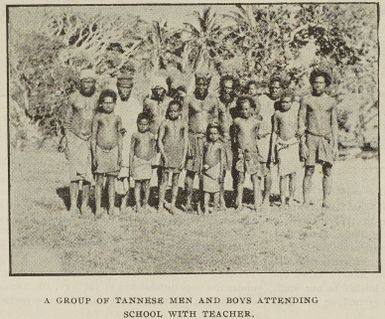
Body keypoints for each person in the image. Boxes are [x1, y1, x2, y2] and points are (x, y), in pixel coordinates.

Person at [299, 70, 338, 208]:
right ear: (312, 83)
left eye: (321, 83)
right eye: (316, 82)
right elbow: (301, 122)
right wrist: (302, 144)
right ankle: (306, 200)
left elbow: (334, 124)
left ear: (326, 84)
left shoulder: (331, 101)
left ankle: (326, 200)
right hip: (310, 137)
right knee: (309, 169)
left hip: (325, 138)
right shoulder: (306, 100)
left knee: (327, 170)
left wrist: (335, 145)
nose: (318, 85)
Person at [61, 69, 98, 216]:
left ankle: (84, 205)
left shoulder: (98, 98)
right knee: (75, 175)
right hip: (75, 139)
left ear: (94, 83)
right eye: (85, 81)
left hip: (91, 140)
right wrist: (68, 140)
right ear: (80, 83)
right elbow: (67, 121)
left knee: (88, 175)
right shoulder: (73, 98)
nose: (87, 85)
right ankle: (73, 206)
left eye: (90, 81)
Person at [184, 72, 220, 213]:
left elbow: (215, 120)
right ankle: (187, 202)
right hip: (192, 138)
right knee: (190, 171)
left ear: (208, 85)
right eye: (199, 83)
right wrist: (187, 142)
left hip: (207, 140)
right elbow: (184, 121)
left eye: (204, 84)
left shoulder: (213, 99)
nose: (201, 87)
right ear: (196, 83)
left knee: (205, 172)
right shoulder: (188, 99)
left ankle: (201, 202)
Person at [114, 72, 142, 212]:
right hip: (116, 142)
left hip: (131, 142)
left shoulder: (136, 104)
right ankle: (113, 200)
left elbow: (140, 124)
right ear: (118, 87)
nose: (124, 90)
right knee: (115, 172)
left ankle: (125, 201)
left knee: (128, 173)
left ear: (131, 88)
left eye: (127, 88)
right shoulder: (113, 103)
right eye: (122, 87)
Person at [91, 89, 122, 217]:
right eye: (105, 102)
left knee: (111, 181)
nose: (108, 105)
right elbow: (93, 137)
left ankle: (111, 207)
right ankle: (98, 208)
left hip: (113, 151)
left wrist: (120, 154)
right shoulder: (98, 117)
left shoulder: (117, 118)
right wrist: (94, 155)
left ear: (115, 103)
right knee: (99, 180)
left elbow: (120, 137)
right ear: (101, 104)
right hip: (100, 150)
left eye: (111, 102)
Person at [255, 76, 283, 206]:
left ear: (281, 89)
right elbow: (254, 115)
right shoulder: (261, 99)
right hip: (260, 137)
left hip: (274, 139)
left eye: (277, 88)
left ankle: (266, 197)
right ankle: (257, 196)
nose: (274, 90)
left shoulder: (283, 102)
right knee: (257, 168)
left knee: (268, 168)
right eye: (272, 87)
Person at [270, 91, 301, 207]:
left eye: (287, 102)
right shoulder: (277, 114)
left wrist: (300, 140)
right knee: (283, 175)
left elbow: (301, 128)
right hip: (281, 145)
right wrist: (273, 150)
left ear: (292, 103)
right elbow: (274, 132)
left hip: (293, 145)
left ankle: (291, 198)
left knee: (293, 174)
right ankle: (282, 200)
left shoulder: (295, 113)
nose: (284, 104)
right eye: (282, 102)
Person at [158, 100, 188, 214]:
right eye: (170, 111)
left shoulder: (183, 124)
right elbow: (160, 140)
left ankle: (173, 204)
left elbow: (185, 141)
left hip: (178, 155)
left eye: (175, 111)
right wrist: (163, 155)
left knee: (176, 180)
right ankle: (160, 204)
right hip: (167, 154)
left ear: (180, 112)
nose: (173, 113)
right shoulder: (165, 123)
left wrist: (184, 157)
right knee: (164, 180)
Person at [233, 96, 262, 212]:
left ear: (252, 109)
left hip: (252, 153)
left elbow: (256, 135)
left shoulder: (256, 122)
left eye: (247, 109)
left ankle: (257, 203)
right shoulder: (237, 121)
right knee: (240, 178)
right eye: (242, 109)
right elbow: (235, 136)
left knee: (255, 178)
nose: (244, 111)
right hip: (241, 153)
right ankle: (239, 203)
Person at [218, 75, 238, 208]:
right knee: (221, 170)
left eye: (230, 88)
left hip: (234, 141)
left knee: (235, 170)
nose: (227, 91)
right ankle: (220, 198)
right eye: (224, 87)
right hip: (220, 139)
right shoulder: (216, 101)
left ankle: (236, 196)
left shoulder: (237, 102)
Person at [129, 113, 156, 213]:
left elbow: (153, 148)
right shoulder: (135, 135)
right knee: (137, 184)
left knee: (147, 184)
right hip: (137, 161)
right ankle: (137, 204)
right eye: (140, 124)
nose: (142, 126)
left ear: (149, 125)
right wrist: (131, 164)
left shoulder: (151, 136)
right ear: (137, 124)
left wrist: (152, 160)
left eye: (145, 124)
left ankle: (145, 204)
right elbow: (131, 150)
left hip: (147, 163)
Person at [202, 123, 225, 214]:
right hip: (206, 170)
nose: (213, 136)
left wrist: (221, 173)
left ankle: (215, 208)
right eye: (211, 133)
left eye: (215, 134)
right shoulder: (206, 144)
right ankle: (206, 208)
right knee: (206, 190)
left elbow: (222, 159)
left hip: (216, 169)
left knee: (216, 191)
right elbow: (203, 156)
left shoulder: (220, 145)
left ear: (219, 134)